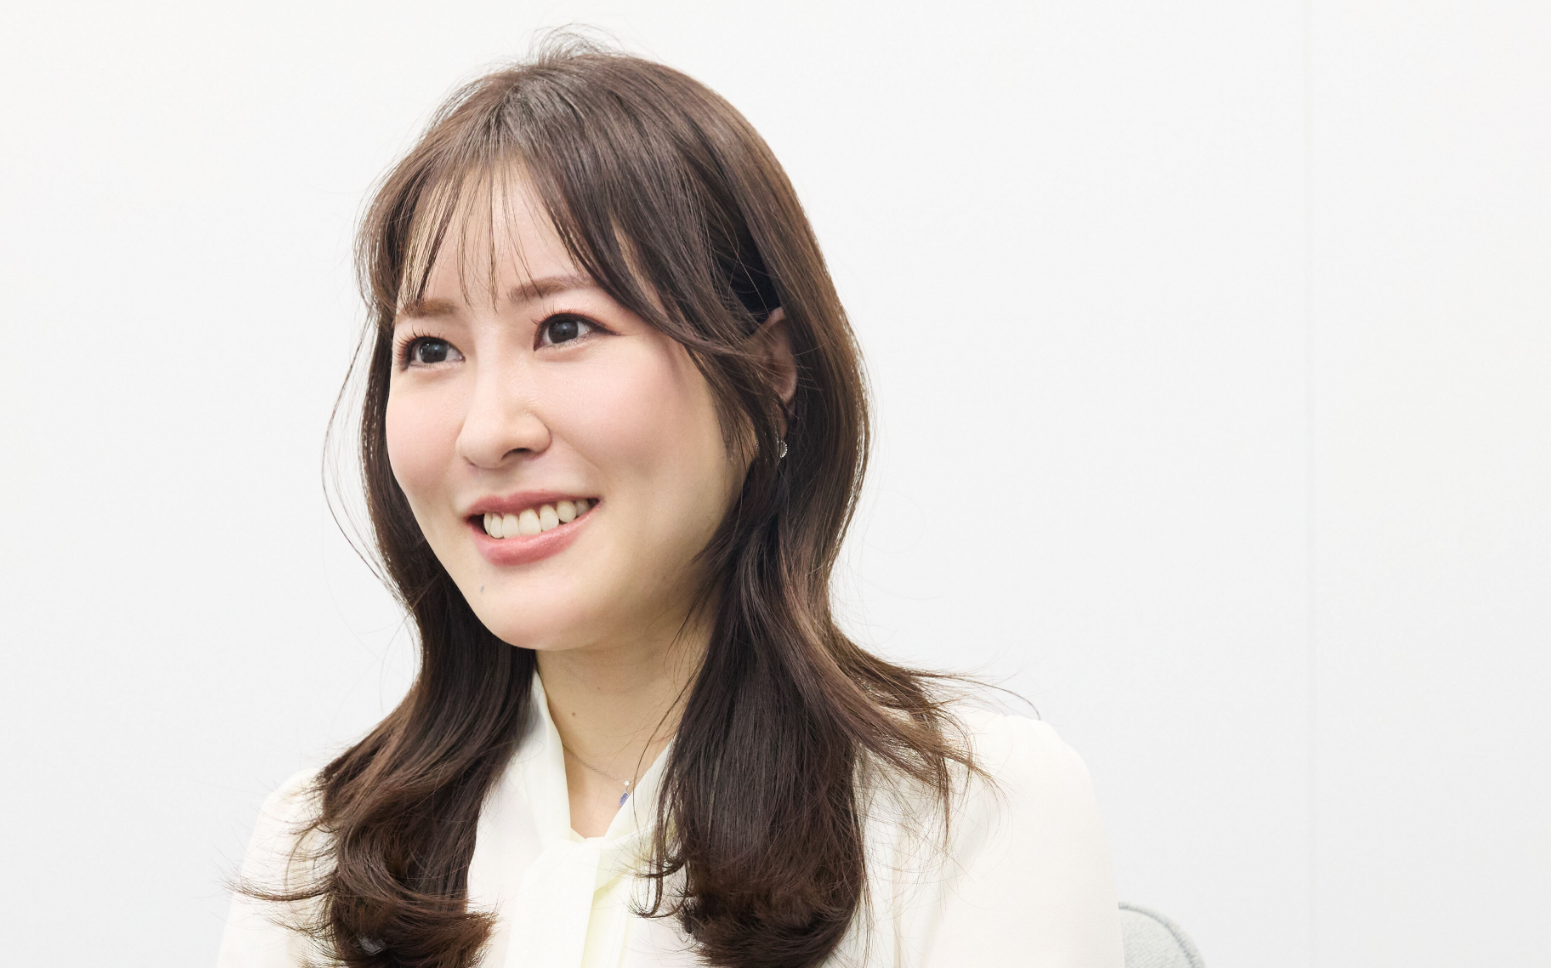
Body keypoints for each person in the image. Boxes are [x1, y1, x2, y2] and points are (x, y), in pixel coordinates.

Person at [219, 37, 1119, 968]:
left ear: (766, 368)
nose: (486, 432)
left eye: (564, 328)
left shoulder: (970, 816)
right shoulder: (319, 852)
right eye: (432, 350)